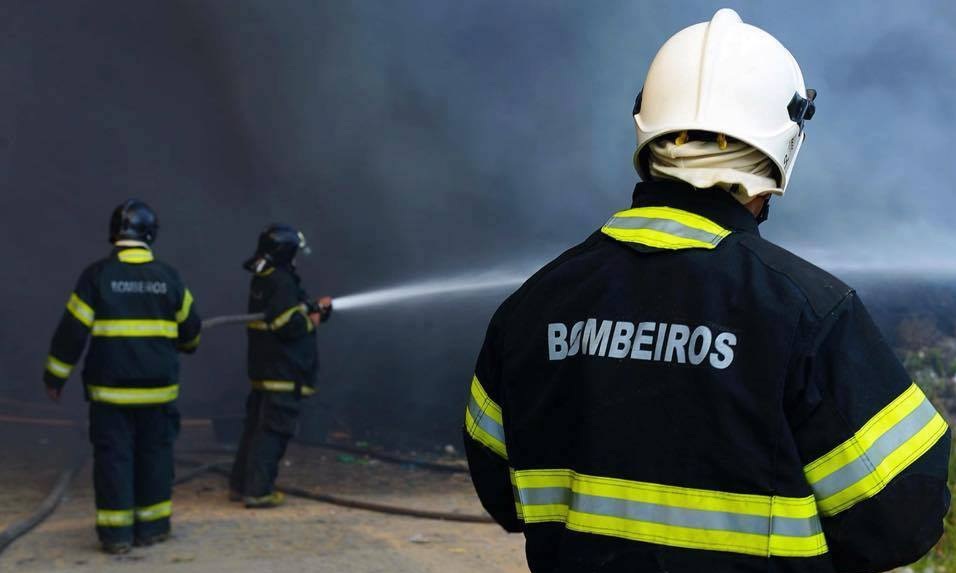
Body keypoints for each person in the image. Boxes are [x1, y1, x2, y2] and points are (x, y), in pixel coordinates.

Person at [463, 9, 950, 573]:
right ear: (785, 144)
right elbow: (904, 517)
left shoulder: (534, 305)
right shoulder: (808, 313)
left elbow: (502, 489)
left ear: (647, 127)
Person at [43, 199, 201, 554]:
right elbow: (191, 331)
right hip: (158, 394)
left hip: (110, 395)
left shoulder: (97, 276)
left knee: (115, 459)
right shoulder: (169, 277)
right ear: (150, 234)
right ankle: (154, 528)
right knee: (156, 456)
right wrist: (185, 344)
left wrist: (55, 377)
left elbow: (72, 332)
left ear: (114, 233)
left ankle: (117, 536)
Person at [229, 224, 332, 508]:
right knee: (273, 433)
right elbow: (286, 324)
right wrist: (313, 319)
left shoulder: (265, 278)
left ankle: (240, 485)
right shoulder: (283, 281)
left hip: (266, 370)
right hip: (283, 372)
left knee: (254, 430)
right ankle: (259, 491)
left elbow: (281, 312)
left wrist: (310, 307)